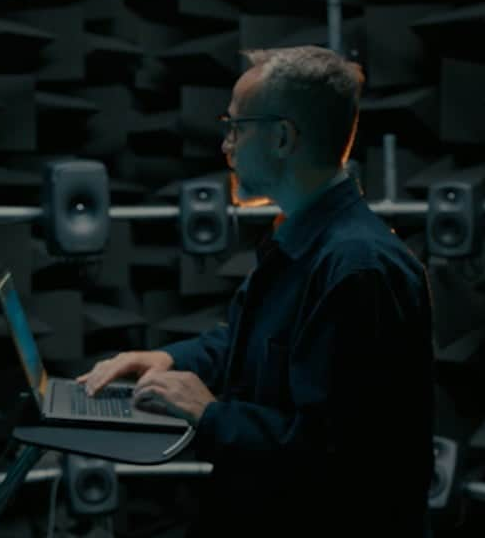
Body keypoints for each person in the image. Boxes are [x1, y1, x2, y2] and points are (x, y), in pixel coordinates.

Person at [76, 45, 435, 537]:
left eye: (236, 127)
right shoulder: (305, 241)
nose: (226, 145)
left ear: (283, 137)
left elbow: (338, 459)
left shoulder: (358, 268)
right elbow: (254, 344)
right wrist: (167, 358)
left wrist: (211, 413)